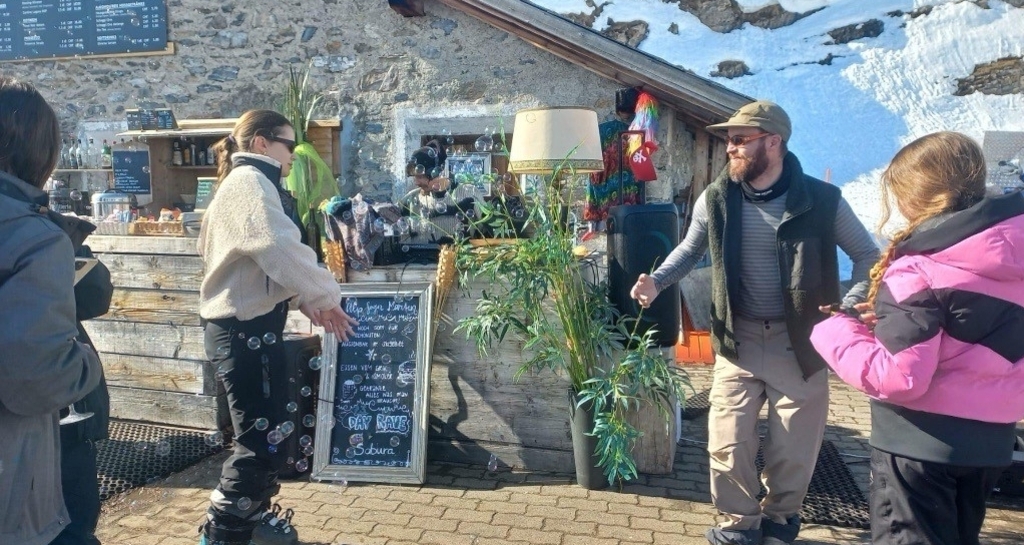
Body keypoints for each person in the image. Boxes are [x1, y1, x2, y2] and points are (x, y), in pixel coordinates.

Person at [630, 100, 879, 545]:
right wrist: (657, 280)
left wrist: (852, 304)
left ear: (773, 142)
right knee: (727, 442)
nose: (730, 148)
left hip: (800, 344)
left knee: (793, 450)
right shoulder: (716, 198)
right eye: (729, 140)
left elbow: (867, 255)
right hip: (738, 340)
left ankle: (781, 520)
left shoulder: (823, 201)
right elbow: (689, 249)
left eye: (740, 140)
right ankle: (737, 526)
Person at [810, 132, 1024, 545]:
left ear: (914, 196)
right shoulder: (1013, 254)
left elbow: (901, 378)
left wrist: (835, 330)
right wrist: (891, 322)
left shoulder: (919, 268)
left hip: (919, 448)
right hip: (991, 445)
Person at [197, 109, 357, 545]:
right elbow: (278, 246)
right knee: (258, 442)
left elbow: (254, 263)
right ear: (261, 144)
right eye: (289, 146)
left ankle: (250, 523)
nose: (294, 156)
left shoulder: (242, 184)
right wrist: (324, 296)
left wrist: (304, 298)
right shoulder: (249, 183)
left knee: (267, 437)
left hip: (243, 329)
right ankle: (223, 533)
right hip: (243, 332)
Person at [0, 76, 104, 545]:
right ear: (42, 151)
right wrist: (87, 363)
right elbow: (36, 378)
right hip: (15, 477)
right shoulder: (33, 238)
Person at [584, 87, 646, 230]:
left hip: (605, 199)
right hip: (629, 202)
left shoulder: (601, 131)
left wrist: (591, 213)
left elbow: (594, 172)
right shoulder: (638, 134)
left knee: (610, 235)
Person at [397, 139, 465, 244]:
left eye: (420, 177)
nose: (416, 182)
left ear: (436, 172)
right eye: (414, 177)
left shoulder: (468, 193)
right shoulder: (408, 201)